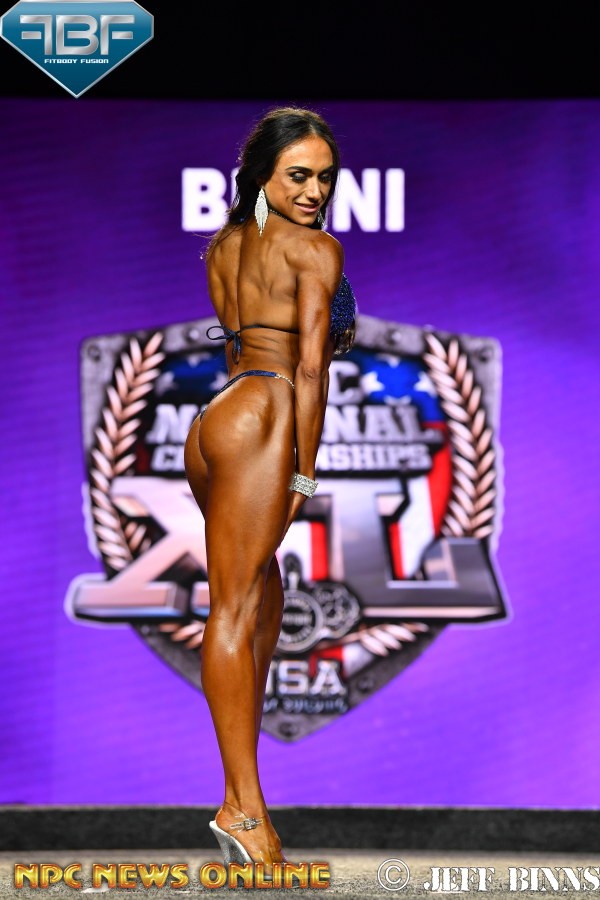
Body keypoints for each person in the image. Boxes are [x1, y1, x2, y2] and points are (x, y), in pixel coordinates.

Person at [183, 105, 356, 873]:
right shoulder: (316, 249)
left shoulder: (223, 246)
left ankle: (239, 800)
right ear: (262, 175)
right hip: (266, 415)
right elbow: (310, 369)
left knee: (262, 606)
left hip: (219, 417)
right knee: (235, 607)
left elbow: (240, 342)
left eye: (325, 178)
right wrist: (304, 470)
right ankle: (244, 809)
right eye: (299, 175)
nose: (315, 191)